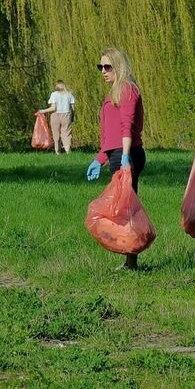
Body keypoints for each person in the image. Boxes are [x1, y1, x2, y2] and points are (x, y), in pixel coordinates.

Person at [85, 48, 145, 269]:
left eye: (107, 66)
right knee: (123, 209)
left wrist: (125, 158)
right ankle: (130, 260)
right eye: (100, 66)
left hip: (126, 154)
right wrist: (100, 159)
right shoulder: (113, 93)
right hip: (118, 154)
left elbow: (126, 127)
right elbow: (109, 134)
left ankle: (132, 259)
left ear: (119, 66)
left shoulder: (127, 90)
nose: (103, 71)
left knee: (125, 209)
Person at [38, 80, 76, 154]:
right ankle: (68, 152)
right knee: (66, 134)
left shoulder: (54, 94)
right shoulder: (69, 94)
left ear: (56, 86)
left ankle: (57, 152)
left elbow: (53, 108)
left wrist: (42, 111)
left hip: (55, 115)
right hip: (67, 114)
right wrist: (72, 117)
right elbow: (73, 108)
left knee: (56, 134)